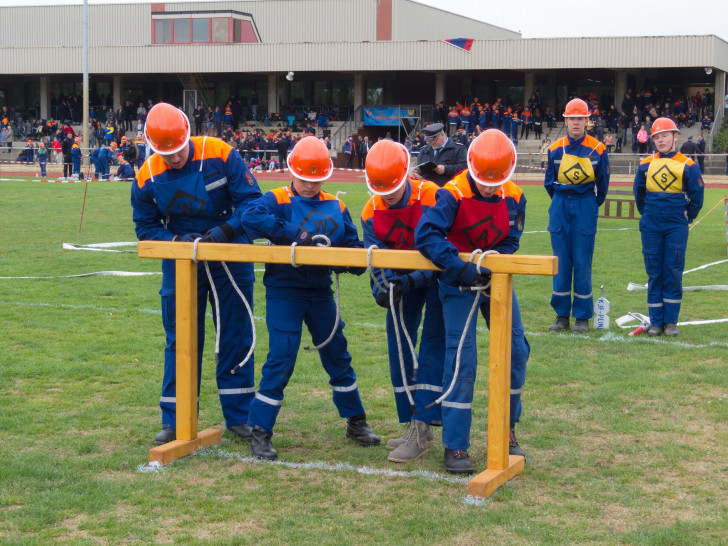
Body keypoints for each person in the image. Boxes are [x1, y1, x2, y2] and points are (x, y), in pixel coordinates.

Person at [239, 135, 379, 461]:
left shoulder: (337, 204)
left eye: (316, 180)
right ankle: (260, 431)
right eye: (304, 178)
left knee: (337, 353)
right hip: (284, 290)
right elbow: (250, 218)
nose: (309, 185)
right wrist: (294, 235)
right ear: (292, 172)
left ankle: (356, 421)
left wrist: (348, 262)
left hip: (320, 292)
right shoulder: (276, 198)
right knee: (281, 356)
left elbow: (354, 246)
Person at [131, 102, 262, 446]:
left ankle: (240, 414)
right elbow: (145, 226)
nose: (174, 159)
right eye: (166, 153)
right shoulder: (146, 175)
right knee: (180, 338)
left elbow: (252, 202)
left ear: (189, 134)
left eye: (178, 151)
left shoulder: (220, 152)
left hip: (229, 252)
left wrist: (226, 231)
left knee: (235, 333)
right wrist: (175, 240)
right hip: (180, 258)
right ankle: (175, 418)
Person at [415, 129, 529, 474]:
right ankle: (456, 444)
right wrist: (461, 268)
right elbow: (427, 236)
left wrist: (495, 263)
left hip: (496, 279)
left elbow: (512, 238)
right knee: (462, 359)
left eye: (496, 183)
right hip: (458, 281)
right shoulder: (452, 193)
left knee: (516, 349)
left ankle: (506, 428)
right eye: (483, 181)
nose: (490, 188)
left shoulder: (515, 195)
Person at [360, 140, 445, 463]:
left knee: (431, 348)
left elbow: (441, 250)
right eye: (381, 188)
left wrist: (410, 280)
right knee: (399, 346)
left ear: (406, 174)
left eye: (394, 185)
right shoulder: (371, 210)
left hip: (438, 278)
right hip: (401, 283)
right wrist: (382, 288)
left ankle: (424, 424)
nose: (389, 193)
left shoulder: (432, 196)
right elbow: (375, 258)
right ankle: (414, 423)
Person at [633, 118, 704, 337]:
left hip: (676, 225)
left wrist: (686, 218)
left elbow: (697, 197)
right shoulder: (645, 164)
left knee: (673, 271)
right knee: (654, 271)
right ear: (652, 140)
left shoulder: (688, 165)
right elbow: (639, 195)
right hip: (652, 223)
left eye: (665, 135)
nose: (661, 140)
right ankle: (656, 322)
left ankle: (671, 322)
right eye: (656, 137)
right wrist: (650, 215)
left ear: (675, 136)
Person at [545, 98, 610, 333]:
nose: (575, 122)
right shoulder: (554, 148)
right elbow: (548, 183)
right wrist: (563, 200)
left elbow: (602, 186)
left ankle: (582, 316)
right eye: (571, 118)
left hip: (585, 206)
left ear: (586, 121)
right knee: (561, 262)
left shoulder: (598, 148)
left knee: (582, 262)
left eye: (580, 118)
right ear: (566, 120)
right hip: (560, 205)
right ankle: (561, 315)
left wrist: (589, 205)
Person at [415, 122, 467, 187]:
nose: (431, 142)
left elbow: (464, 169)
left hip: (449, 191)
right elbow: (417, 172)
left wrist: (445, 169)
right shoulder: (424, 151)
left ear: (442, 135)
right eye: (428, 140)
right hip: (427, 192)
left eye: (433, 139)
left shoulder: (458, 149)